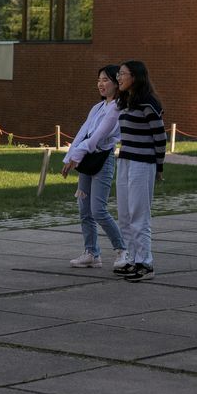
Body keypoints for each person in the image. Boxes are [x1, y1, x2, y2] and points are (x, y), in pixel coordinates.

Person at [61, 65, 128, 269]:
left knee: (98, 210)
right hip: (86, 160)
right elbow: (83, 132)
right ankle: (91, 253)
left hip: (102, 159)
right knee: (84, 209)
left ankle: (123, 250)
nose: (100, 84)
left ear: (116, 83)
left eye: (105, 80)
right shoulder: (97, 107)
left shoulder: (117, 107)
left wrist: (76, 155)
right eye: (99, 80)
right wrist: (69, 157)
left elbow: (98, 135)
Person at [113, 60, 166, 282]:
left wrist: (159, 166)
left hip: (142, 164)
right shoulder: (125, 102)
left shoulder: (148, 102)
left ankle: (146, 263)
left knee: (139, 214)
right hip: (125, 161)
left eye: (122, 74)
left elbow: (160, 137)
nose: (119, 78)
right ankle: (132, 259)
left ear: (135, 77)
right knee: (125, 214)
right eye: (118, 74)